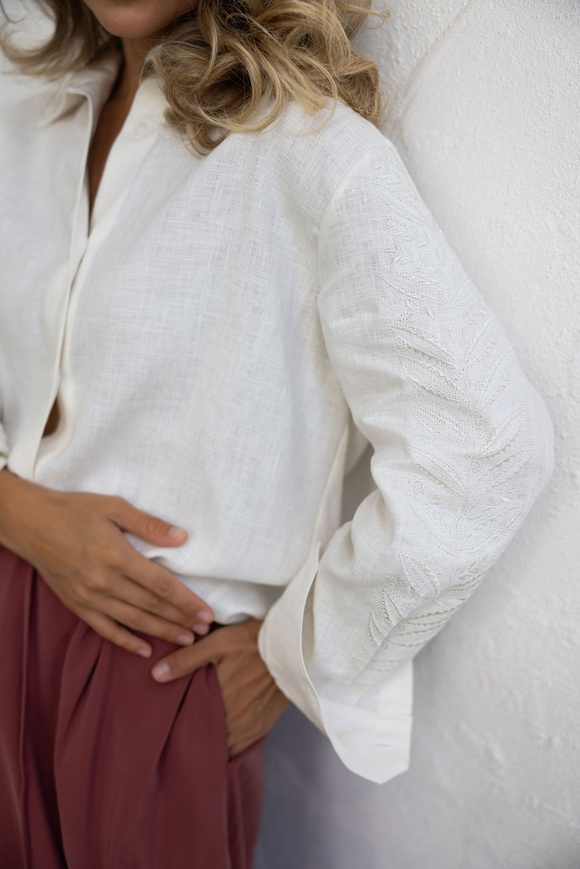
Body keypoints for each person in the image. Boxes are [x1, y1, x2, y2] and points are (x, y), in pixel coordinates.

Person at [0, 1, 554, 866]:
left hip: (142, 686)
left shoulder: (311, 154)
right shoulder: (26, 104)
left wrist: (296, 654)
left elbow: (484, 448)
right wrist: (15, 509)